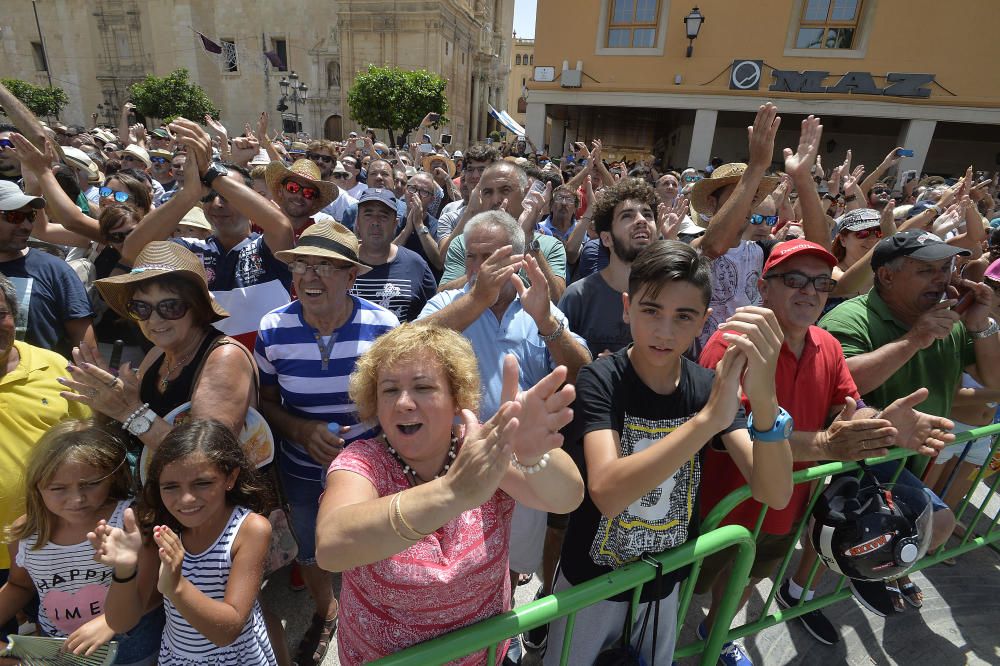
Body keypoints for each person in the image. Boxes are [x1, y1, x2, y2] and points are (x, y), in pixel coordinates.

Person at [694, 240, 955, 659]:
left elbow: (847, 409)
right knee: (683, 588)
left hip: (788, 507)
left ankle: (717, 635)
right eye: (794, 279)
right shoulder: (733, 342)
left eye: (820, 283)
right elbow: (737, 432)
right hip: (718, 508)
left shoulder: (827, 345)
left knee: (745, 581)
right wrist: (828, 444)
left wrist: (884, 426)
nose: (809, 291)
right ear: (764, 287)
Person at [544, 241, 793, 665]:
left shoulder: (704, 387)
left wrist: (765, 399)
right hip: (590, 585)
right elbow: (607, 492)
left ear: (704, 322)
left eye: (684, 316)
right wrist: (705, 424)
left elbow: (775, 492)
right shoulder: (601, 381)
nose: (665, 331)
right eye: (651, 310)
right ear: (627, 307)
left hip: (663, 583)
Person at [315, 323, 583, 665]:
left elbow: (568, 497)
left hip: (485, 656)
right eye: (389, 390)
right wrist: (453, 491)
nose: (404, 403)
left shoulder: (484, 444)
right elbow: (331, 548)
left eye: (423, 387)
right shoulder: (362, 461)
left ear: (457, 397)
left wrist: (531, 456)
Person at [255, 221, 399, 666]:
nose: (310, 276)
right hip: (300, 466)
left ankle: (381, 611)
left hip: (371, 466)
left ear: (352, 277)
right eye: (303, 265)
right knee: (311, 546)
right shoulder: (273, 327)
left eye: (326, 267)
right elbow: (265, 400)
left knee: (377, 540)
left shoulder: (383, 325)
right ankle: (328, 611)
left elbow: (397, 398)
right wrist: (301, 431)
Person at [90, 420, 276, 665]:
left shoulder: (249, 530)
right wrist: (124, 571)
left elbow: (227, 631)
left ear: (230, 478)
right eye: (171, 487)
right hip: (178, 658)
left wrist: (177, 587)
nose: (186, 499)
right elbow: (121, 622)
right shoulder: (161, 529)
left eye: (202, 483)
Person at [61, 241, 257, 457]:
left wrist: (127, 411)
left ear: (196, 307)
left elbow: (206, 457)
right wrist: (105, 405)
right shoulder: (157, 354)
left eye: (170, 307)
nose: (154, 319)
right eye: (141, 307)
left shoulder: (224, 358)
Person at [122, 118, 295, 347]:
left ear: (250, 199)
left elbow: (281, 226)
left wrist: (211, 172)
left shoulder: (269, 247)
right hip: (210, 371)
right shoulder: (190, 250)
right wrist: (189, 193)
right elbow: (133, 251)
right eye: (208, 196)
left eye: (227, 195)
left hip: (269, 375)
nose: (217, 203)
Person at [0, 420, 163, 664]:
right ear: (37, 486)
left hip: (128, 650)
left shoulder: (131, 520)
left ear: (112, 477)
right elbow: (20, 585)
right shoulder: (26, 531)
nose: (76, 499)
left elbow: (151, 593)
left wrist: (108, 622)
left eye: (90, 484)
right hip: (60, 653)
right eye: (58, 488)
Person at [0, 275, 91, 642]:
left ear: (14, 315)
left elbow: (90, 449)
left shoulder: (54, 366)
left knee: (63, 646)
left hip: (58, 548)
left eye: (0, 313)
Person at [558, 177, 658, 358]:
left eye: (648, 214)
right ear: (606, 238)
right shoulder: (579, 297)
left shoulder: (670, 294)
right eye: (627, 215)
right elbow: (558, 363)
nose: (641, 220)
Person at [0, 178, 96, 353]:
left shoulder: (55, 271)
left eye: (31, 216)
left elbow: (85, 347)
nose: (27, 225)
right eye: (14, 216)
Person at [350, 188, 437, 322]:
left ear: (395, 224)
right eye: (368, 214)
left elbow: (433, 320)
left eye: (383, 216)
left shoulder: (416, 265)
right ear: (357, 222)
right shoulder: (341, 262)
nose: (375, 222)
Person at [264, 158, 340, 237]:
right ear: (280, 190)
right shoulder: (260, 224)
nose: (299, 196)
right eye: (292, 187)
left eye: (309, 193)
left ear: (316, 201)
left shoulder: (320, 237)